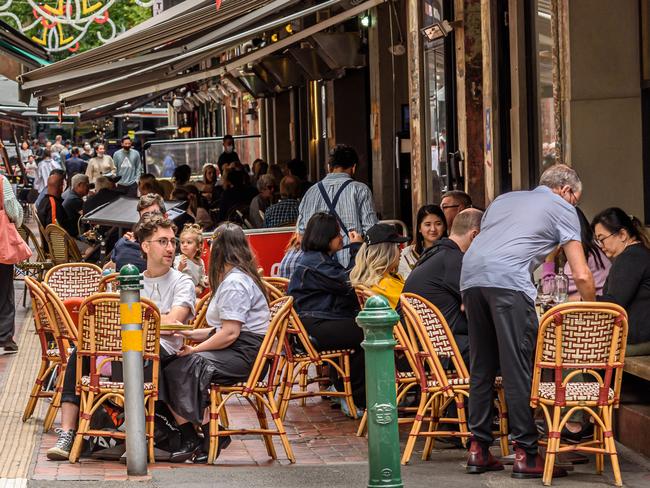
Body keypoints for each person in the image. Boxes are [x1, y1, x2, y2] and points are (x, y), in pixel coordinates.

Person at [460, 164, 595, 478]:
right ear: (567, 191)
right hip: (507, 283)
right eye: (576, 199)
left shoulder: (505, 201)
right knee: (518, 366)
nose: (574, 205)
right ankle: (526, 453)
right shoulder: (563, 207)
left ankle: (478, 449)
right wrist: (594, 309)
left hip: (470, 277)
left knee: (482, 366)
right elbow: (582, 273)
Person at [47, 214, 195, 461]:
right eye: (162, 241)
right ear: (145, 247)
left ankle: (132, 434)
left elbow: (173, 322)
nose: (170, 248)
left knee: (128, 353)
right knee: (80, 351)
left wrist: (143, 322)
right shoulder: (133, 279)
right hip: (126, 348)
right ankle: (69, 433)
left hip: (163, 353)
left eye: (172, 241)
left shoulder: (183, 282)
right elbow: (120, 322)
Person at [162, 223, 269, 462]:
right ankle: (203, 434)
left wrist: (194, 348)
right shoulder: (237, 278)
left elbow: (230, 333)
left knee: (181, 365)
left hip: (246, 356)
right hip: (242, 349)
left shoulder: (234, 283)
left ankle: (206, 434)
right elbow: (221, 330)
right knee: (174, 364)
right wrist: (189, 334)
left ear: (219, 249)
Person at [288, 213, 365, 416]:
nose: (342, 238)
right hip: (314, 327)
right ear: (325, 237)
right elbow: (349, 282)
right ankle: (355, 397)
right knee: (368, 333)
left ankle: (343, 389)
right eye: (337, 234)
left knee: (357, 328)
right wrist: (356, 249)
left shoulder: (318, 260)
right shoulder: (317, 263)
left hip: (314, 322)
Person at [402, 209, 483, 367]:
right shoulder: (454, 260)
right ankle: (526, 391)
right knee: (513, 345)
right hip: (444, 351)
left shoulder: (435, 255)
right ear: (475, 235)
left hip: (424, 348)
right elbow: (483, 302)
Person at [297, 145, 378, 267]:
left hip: (318, 268)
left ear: (329, 167)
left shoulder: (310, 193)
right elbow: (372, 231)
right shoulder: (360, 190)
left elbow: (301, 234)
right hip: (352, 265)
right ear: (354, 168)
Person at [592, 207, 650, 356]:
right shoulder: (641, 252)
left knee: (580, 353)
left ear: (622, 234)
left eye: (602, 239)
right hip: (643, 337)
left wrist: (582, 300)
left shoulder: (629, 258)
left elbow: (614, 304)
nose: (601, 246)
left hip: (639, 340)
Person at [349, 223, 409, 309]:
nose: (401, 250)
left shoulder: (377, 280)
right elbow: (414, 306)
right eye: (398, 246)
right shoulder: (385, 284)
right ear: (386, 251)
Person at [105, 193, 167, 273]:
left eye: (155, 215)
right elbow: (108, 270)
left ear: (165, 217)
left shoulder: (177, 244)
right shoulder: (126, 243)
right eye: (146, 216)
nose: (151, 220)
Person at [564, 207, 611, 299]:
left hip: (596, 309)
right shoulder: (594, 250)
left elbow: (550, 291)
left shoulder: (583, 254)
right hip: (602, 308)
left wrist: (550, 260)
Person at [0, 174, 23, 353]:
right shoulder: (1, 180)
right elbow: (11, 208)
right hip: (1, 244)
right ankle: (5, 337)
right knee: (5, 288)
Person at [398, 205, 447, 278]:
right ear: (419, 228)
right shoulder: (406, 255)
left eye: (438, 224)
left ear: (444, 226)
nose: (433, 229)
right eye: (428, 225)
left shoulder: (451, 252)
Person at [37, 173, 78, 237]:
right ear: (61, 187)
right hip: (60, 244)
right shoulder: (52, 204)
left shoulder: (44, 201)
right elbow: (54, 231)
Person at [175, 223, 208, 296]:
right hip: (181, 293)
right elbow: (173, 277)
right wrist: (180, 268)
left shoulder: (200, 262)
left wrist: (205, 281)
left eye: (189, 242)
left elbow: (201, 278)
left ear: (198, 246)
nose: (184, 245)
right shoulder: (178, 259)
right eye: (182, 242)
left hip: (194, 294)